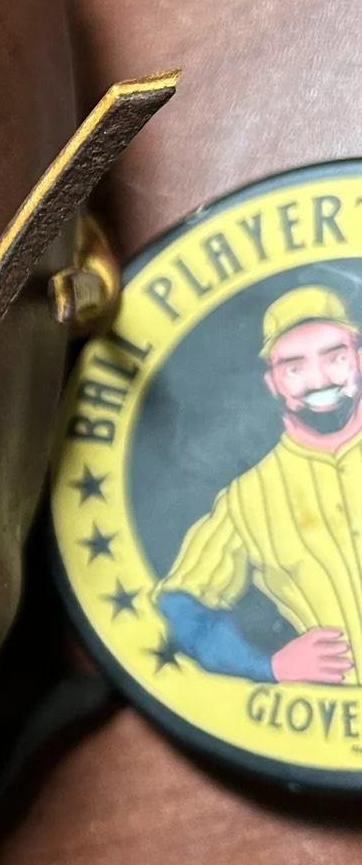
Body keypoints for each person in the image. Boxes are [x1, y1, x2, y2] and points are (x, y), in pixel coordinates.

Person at [156, 284, 362, 684]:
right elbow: (181, 605)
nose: (319, 380)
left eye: (335, 358)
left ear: (358, 360)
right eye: (295, 368)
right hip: (329, 722)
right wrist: (268, 666)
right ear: (273, 383)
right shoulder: (247, 498)